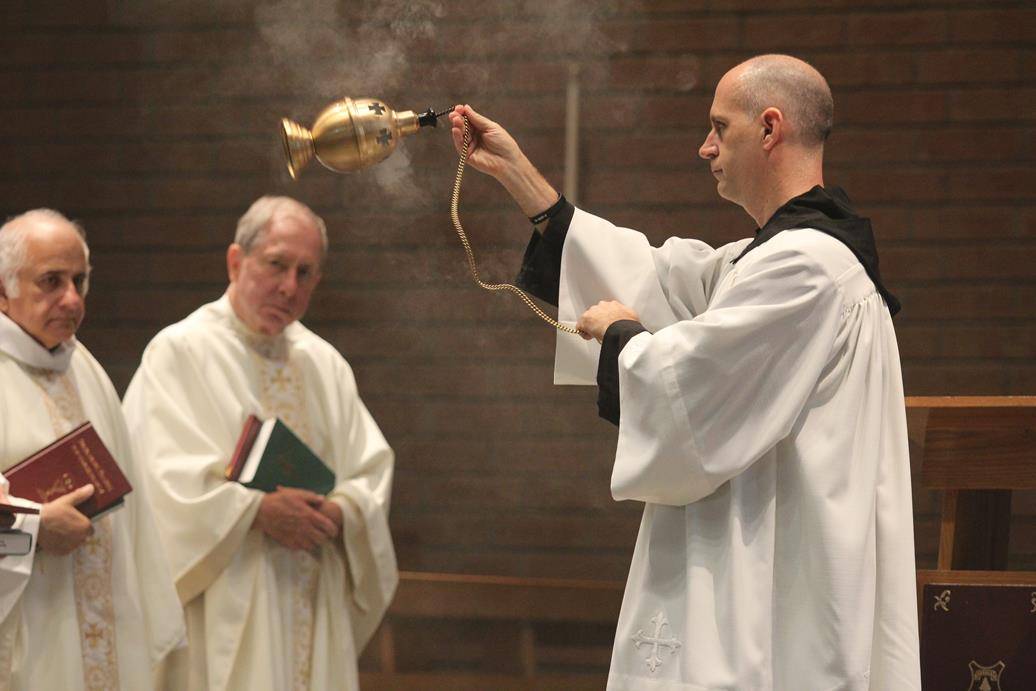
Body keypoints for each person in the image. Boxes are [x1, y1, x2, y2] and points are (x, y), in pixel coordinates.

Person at [449, 54, 920, 689]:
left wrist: (621, 332)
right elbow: (661, 277)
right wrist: (520, 178)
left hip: (774, 588)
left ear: (770, 128)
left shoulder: (807, 269)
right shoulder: (774, 259)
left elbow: (692, 384)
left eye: (719, 128)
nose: (706, 147)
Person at [122, 195, 397, 691]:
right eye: (276, 265)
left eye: (305, 273)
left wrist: (341, 513)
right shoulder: (180, 352)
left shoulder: (324, 363)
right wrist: (256, 512)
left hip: (313, 602)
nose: (289, 287)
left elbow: (370, 472)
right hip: (224, 604)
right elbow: (156, 484)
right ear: (235, 261)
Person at [0, 209, 185, 689]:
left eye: (79, 281)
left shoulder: (86, 368)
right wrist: (33, 528)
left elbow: (134, 513)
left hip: (104, 631)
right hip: (27, 639)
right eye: (51, 281)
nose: (71, 299)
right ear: (3, 289)